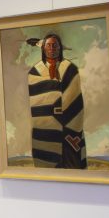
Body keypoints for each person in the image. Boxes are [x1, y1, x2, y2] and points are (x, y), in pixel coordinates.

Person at [28, 33, 86, 169]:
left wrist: (67, 123)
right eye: (48, 45)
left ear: (60, 48)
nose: (52, 48)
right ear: (43, 48)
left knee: (72, 166)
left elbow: (75, 98)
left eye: (55, 45)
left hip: (69, 128)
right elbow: (37, 101)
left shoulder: (70, 68)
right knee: (46, 169)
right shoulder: (34, 72)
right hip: (44, 130)